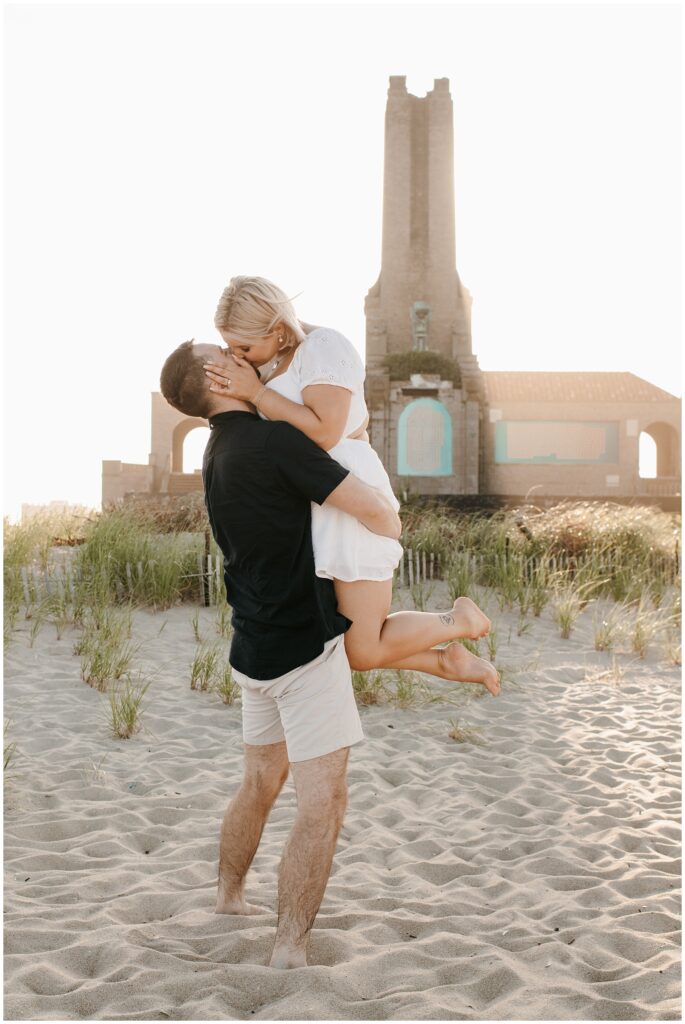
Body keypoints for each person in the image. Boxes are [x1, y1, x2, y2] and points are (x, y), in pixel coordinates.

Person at [159, 340, 497, 970]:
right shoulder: (274, 443)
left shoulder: (218, 451)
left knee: (259, 782)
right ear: (215, 377)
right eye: (223, 355)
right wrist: (391, 526)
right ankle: (289, 948)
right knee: (325, 800)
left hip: (252, 645)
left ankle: (229, 897)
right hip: (303, 651)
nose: (239, 355)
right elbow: (370, 508)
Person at [204, 276, 499, 693]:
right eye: (231, 347)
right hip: (320, 502)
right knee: (353, 645)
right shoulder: (274, 364)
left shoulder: (323, 348)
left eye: (245, 348)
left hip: (348, 494)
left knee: (362, 649)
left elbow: (326, 432)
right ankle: (446, 660)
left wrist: (255, 393)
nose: (240, 357)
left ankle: (457, 622)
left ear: (279, 330)